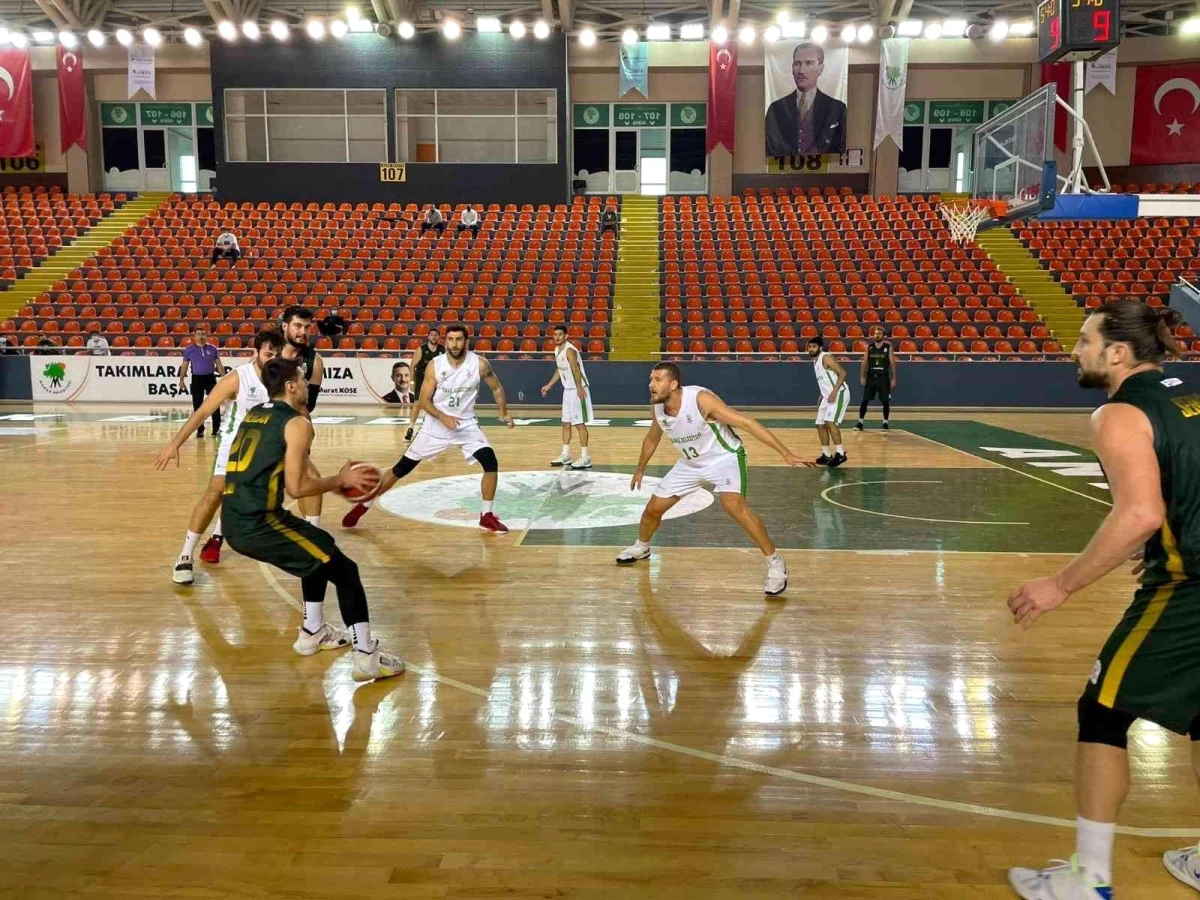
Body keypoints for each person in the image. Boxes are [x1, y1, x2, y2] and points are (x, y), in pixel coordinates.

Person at [1005, 300, 1200, 900]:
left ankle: (1087, 879)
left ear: (1118, 353)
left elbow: (1141, 512)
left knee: (1103, 712)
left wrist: (1059, 585)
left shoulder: (1118, 414)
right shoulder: (1192, 393)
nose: (1075, 350)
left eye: (1085, 340)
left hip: (1187, 591)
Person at [220, 356, 405, 682]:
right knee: (346, 571)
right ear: (291, 386)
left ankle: (312, 632)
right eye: (303, 380)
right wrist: (340, 480)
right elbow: (297, 487)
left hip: (237, 516)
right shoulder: (297, 424)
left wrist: (336, 483)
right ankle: (366, 656)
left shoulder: (256, 413)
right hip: (257, 522)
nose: (308, 384)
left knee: (319, 551)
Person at [616, 362, 808, 595]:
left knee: (733, 506)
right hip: (690, 464)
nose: (651, 385)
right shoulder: (657, 407)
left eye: (657, 380)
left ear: (674, 384)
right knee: (653, 509)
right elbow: (652, 437)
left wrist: (785, 453)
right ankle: (642, 547)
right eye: (650, 379)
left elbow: (746, 423)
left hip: (724, 458)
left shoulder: (700, 400)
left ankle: (775, 562)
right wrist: (640, 469)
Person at [342, 324, 514, 534]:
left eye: (458, 339)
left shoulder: (480, 364)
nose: (454, 344)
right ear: (445, 342)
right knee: (401, 469)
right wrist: (443, 417)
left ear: (466, 342)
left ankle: (486, 516)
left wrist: (503, 412)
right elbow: (423, 400)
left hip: (466, 425)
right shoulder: (436, 365)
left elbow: (497, 388)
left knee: (490, 461)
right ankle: (364, 504)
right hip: (435, 425)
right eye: (450, 339)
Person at [155, 327, 284, 585]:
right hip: (233, 444)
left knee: (243, 499)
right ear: (255, 352)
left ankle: (216, 538)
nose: (272, 358)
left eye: (276, 354)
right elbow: (203, 411)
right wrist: (175, 443)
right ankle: (185, 555)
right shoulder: (239, 377)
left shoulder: (283, 377)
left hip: (263, 447)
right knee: (215, 493)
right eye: (268, 353)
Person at [279, 306, 326, 531]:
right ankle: (217, 536)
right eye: (298, 326)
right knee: (231, 484)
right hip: (263, 425)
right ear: (285, 326)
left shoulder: (314, 361)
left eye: (307, 327)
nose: (302, 332)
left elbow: (309, 404)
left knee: (311, 478)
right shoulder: (268, 352)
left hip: (293, 427)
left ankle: (312, 532)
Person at [764, 42, 847, 156]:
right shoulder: (775, 108)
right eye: (797, 64)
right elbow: (770, 146)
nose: (801, 71)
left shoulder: (837, 108)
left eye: (809, 63)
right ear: (792, 68)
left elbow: (839, 147)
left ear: (821, 69)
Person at [541, 324, 593, 469]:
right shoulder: (557, 350)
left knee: (579, 424)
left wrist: (578, 388)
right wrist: (549, 385)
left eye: (560, 334)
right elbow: (560, 369)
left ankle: (585, 457)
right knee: (565, 423)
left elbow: (575, 370)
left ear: (566, 336)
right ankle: (566, 454)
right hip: (567, 390)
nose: (557, 337)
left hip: (578, 390)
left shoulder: (570, 350)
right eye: (555, 334)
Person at [808, 337, 849, 467]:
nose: (811, 349)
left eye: (814, 346)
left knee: (830, 423)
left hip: (839, 393)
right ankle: (826, 454)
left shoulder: (826, 357)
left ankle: (840, 454)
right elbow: (825, 380)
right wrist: (822, 394)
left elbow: (842, 373)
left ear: (820, 348)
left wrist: (834, 391)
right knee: (820, 424)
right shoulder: (815, 361)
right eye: (809, 347)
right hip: (827, 397)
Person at [179, 326, 226, 439]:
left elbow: (219, 364)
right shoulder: (189, 350)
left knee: (215, 404)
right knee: (198, 406)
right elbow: (184, 365)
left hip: (210, 378)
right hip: (197, 379)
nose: (201, 336)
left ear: (206, 336)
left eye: (203, 334)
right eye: (199, 334)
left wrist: (224, 378)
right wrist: (181, 380)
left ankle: (216, 429)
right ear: (194, 336)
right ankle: (200, 429)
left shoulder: (213, 348)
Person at [405, 328, 445, 441]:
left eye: (436, 335)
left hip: (436, 380)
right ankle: (410, 428)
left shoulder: (443, 350)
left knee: (434, 405)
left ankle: (429, 429)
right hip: (422, 379)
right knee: (417, 404)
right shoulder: (421, 349)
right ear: (428, 337)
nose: (434, 337)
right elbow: (412, 366)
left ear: (439, 337)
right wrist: (412, 382)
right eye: (431, 335)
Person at [855, 326, 897, 431]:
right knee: (865, 400)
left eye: (879, 333)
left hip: (883, 377)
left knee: (885, 401)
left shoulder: (888, 347)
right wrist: (862, 376)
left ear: (883, 336)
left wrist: (894, 378)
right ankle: (860, 422)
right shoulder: (869, 347)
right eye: (875, 333)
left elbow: (892, 364)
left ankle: (885, 423)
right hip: (871, 377)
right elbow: (864, 363)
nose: (877, 335)